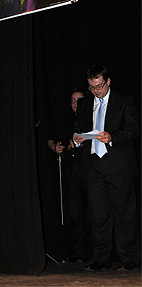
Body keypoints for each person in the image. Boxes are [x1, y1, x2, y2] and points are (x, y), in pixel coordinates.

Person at [73, 65, 140, 272]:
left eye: (99, 86)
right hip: (94, 165)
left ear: (108, 82)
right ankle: (101, 259)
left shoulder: (124, 101)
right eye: (92, 88)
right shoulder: (85, 104)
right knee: (98, 214)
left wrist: (112, 137)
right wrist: (77, 140)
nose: (96, 91)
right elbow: (78, 129)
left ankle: (129, 258)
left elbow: (133, 129)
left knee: (124, 213)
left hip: (118, 164)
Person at [47, 88, 92, 263]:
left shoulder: (91, 118)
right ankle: (78, 251)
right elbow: (52, 139)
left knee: (91, 212)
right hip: (71, 169)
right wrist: (55, 148)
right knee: (74, 212)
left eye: (79, 101)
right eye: (72, 101)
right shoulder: (65, 120)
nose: (75, 104)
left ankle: (93, 251)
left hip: (88, 168)